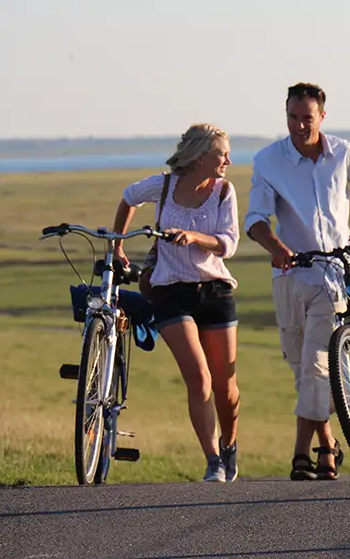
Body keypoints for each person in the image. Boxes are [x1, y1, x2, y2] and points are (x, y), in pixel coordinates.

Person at [245, 82, 350, 481]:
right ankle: (328, 444)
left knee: (316, 365)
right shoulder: (267, 160)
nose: (298, 125)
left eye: (307, 118)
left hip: (336, 276)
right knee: (301, 367)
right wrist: (274, 246)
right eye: (292, 117)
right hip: (290, 276)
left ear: (322, 117)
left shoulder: (344, 153)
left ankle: (300, 454)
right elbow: (255, 219)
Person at [112, 124, 241, 483]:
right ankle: (213, 459)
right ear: (201, 156)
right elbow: (129, 197)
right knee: (198, 378)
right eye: (222, 154)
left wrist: (195, 237)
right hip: (170, 291)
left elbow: (229, 243)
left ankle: (230, 444)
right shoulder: (165, 185)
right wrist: (118, 246)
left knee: (225, 387)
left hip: (214, 291)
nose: (228, 160)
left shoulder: (223, 191)